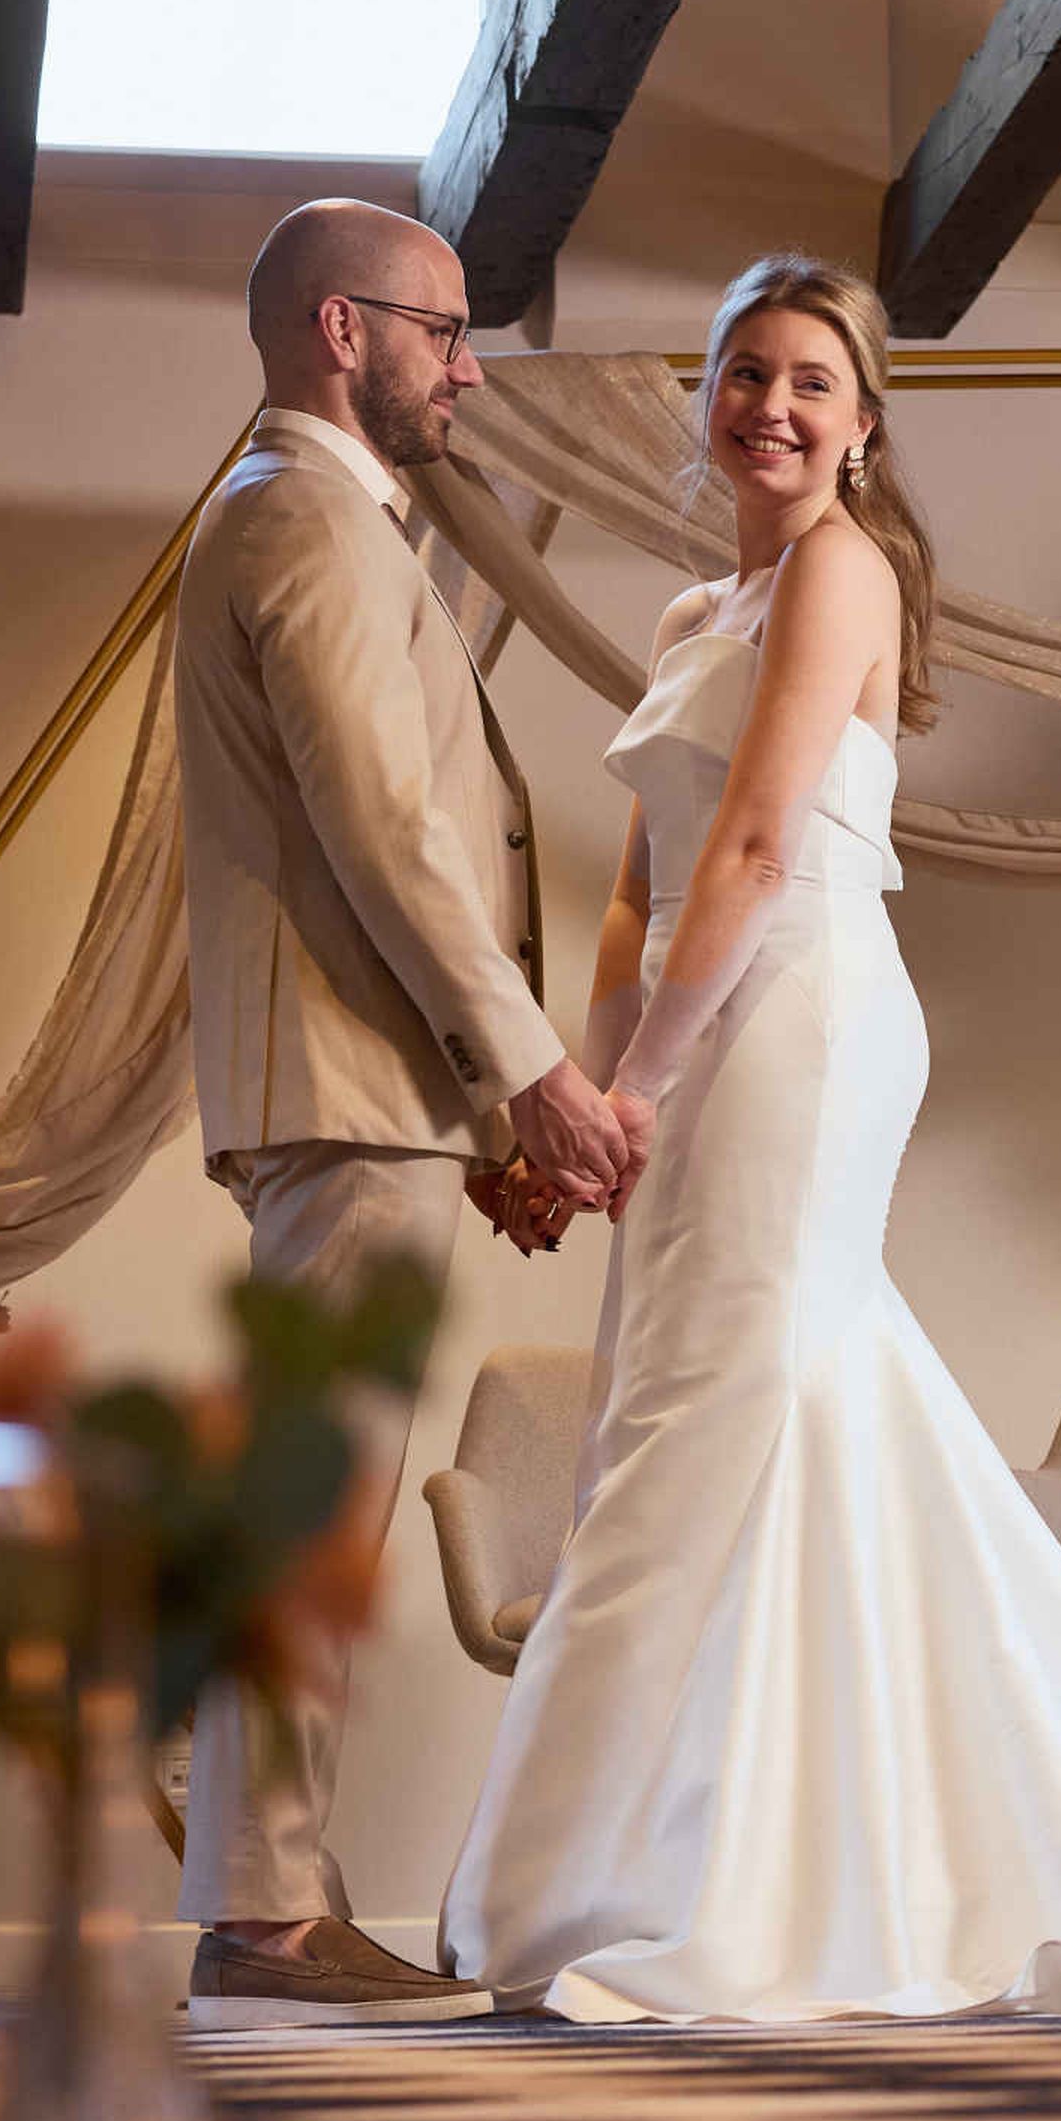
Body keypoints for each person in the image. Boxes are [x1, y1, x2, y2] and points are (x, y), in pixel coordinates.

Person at [436, 255, 1061, 2022]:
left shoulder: (846, 573)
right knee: (724, 1410)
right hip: (704, 1027)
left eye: (808, 382)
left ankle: (628, 1884)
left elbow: (765, 851)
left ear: (864, 422)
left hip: (800, 1023)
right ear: (705, 399)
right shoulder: (703, 610)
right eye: (740, 374)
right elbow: (642, 890)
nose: (768, 407)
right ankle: (744, 1857)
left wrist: (646, 1090)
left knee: (715, 1407)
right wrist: (575, 1101)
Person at [168, 198, 639, 2025]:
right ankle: (270, 1923)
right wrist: (526, 1067)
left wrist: (499, 1102)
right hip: (352, 1086)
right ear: (336, 330)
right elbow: (387, 829)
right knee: (311, 1505)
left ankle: (273, 1896)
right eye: (441, 328)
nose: (469, 363)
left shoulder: (328, 521)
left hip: (369, 1085)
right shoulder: (301, 517)